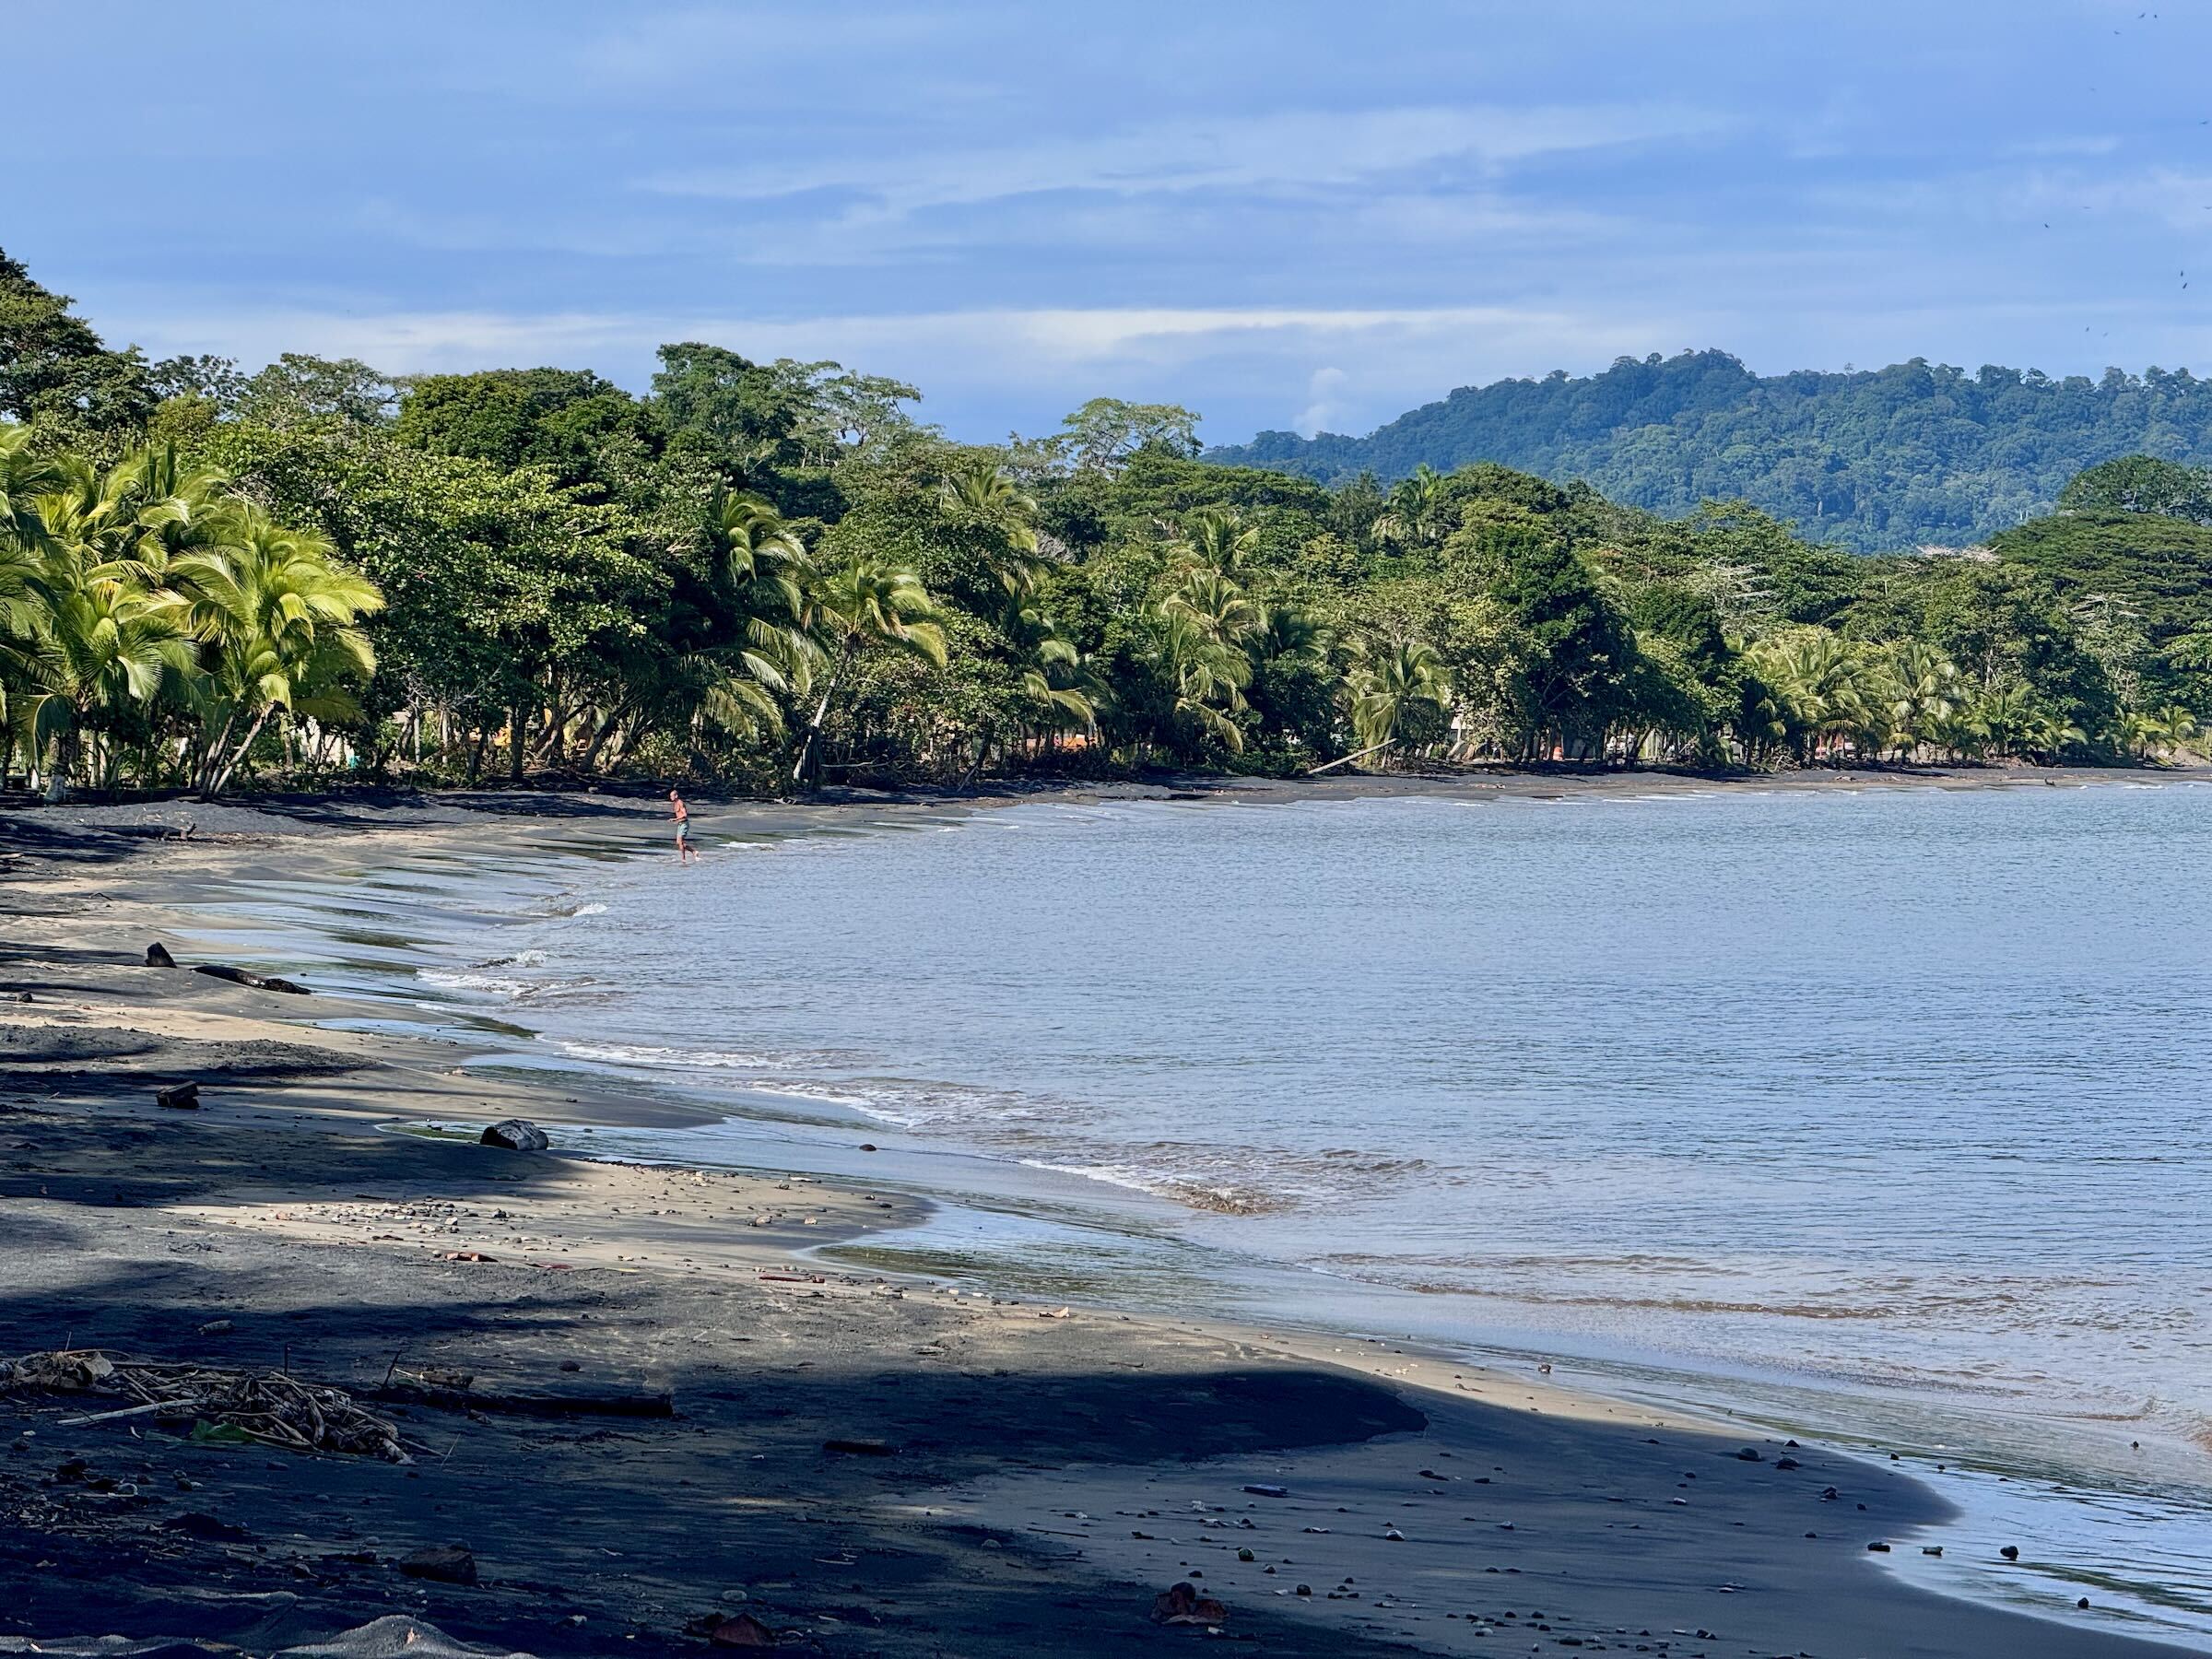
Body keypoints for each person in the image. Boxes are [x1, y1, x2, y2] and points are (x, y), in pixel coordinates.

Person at [669, 789, 696, 862]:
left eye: (672, 796)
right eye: (670, 796)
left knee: (680, 842)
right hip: (680, 824)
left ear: (676, 796)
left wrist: (675, 819)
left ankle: (683, 859)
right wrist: (677, 820)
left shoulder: (680, 803)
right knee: (679, 843)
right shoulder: (675, 803)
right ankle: (693, 852)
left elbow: (685, 815)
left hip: (684, 824)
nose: (670, 797)